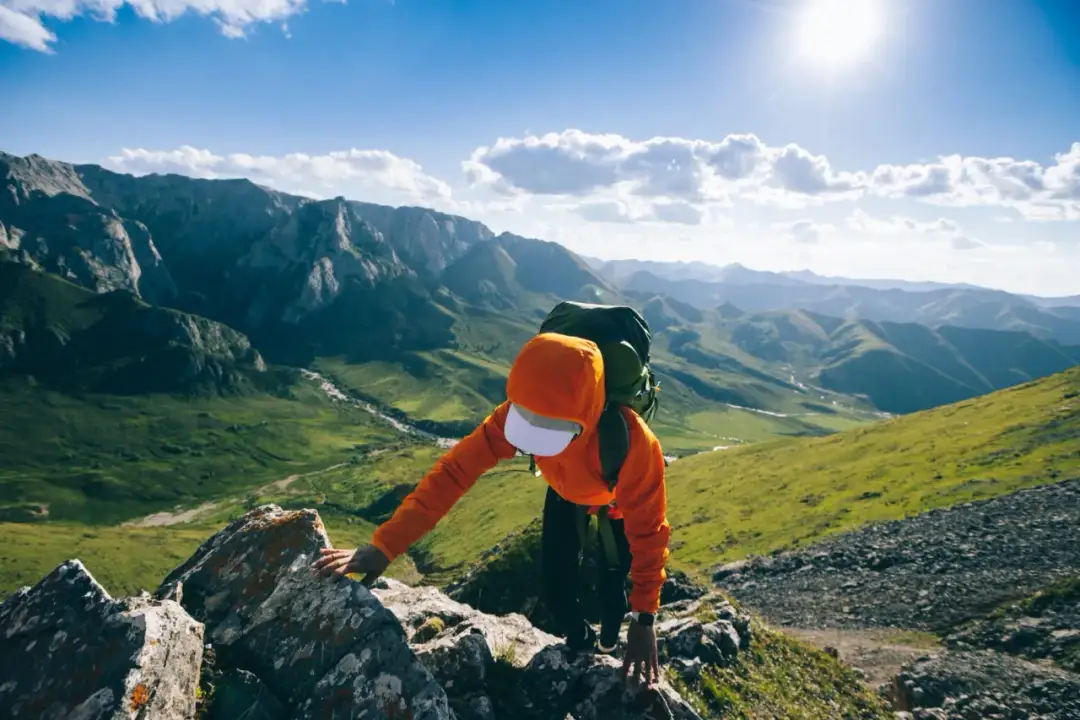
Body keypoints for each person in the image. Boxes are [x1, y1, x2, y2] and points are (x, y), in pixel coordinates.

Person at [312, 330, 671, 687]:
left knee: (613, 581)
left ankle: (610, 637)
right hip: (565, 494)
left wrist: (644, 619)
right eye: (528, 426)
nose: (536, 443)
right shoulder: (513, 414)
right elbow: (454, 473)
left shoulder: (634, 445)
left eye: (550, 433)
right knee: (557, 587)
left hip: (615, 506)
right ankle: (582, 641)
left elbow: (651, 534)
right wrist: (384, 546)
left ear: (588, 415)